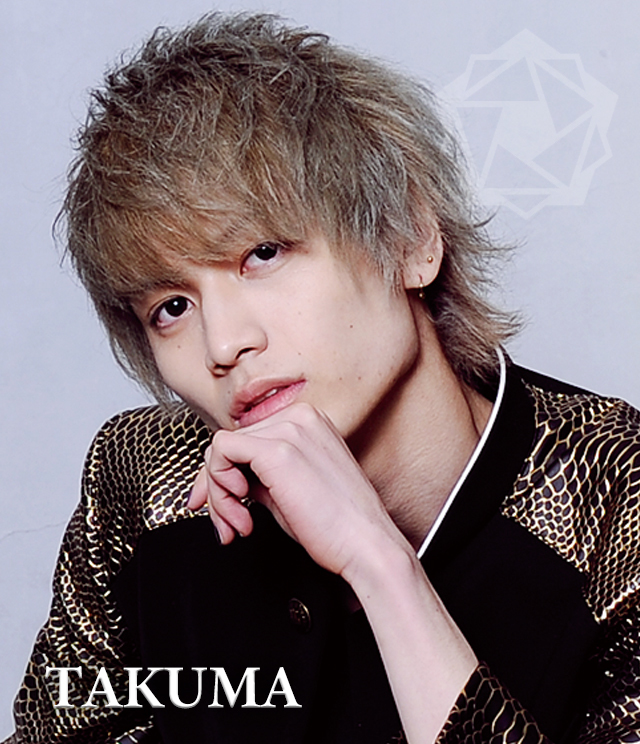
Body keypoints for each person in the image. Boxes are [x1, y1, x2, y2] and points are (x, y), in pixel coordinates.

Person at [5, 12, 640, 744]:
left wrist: (382, 566)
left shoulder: (615, 497)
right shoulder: (145, 479)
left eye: (263, 255)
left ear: (410, 240)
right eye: (172, 307)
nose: (225, 344)